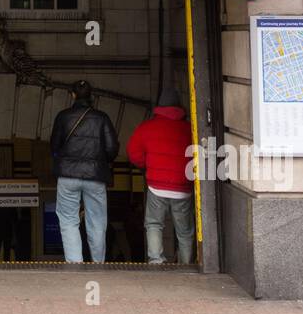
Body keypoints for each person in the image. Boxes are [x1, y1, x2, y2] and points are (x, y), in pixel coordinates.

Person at [50, 80, 118, 263]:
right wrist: (100, 161)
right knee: (96, 222)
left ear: (72, 95)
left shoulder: (63, 117)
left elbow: (54, 146)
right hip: (95, 176)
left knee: (68, 220)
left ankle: (74, 263)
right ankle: (98, 263)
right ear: (92, 96)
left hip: (67, 176)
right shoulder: (102, 118)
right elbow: (112, 149)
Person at [127, 87, 195, 264]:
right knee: (184, 230)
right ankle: (186, 263)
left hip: (156, 186)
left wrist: (147, 166)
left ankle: (156, 261)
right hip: (183, 187)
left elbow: (133, 153)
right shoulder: (189, 129)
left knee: (154, 224)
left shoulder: (147, 127)